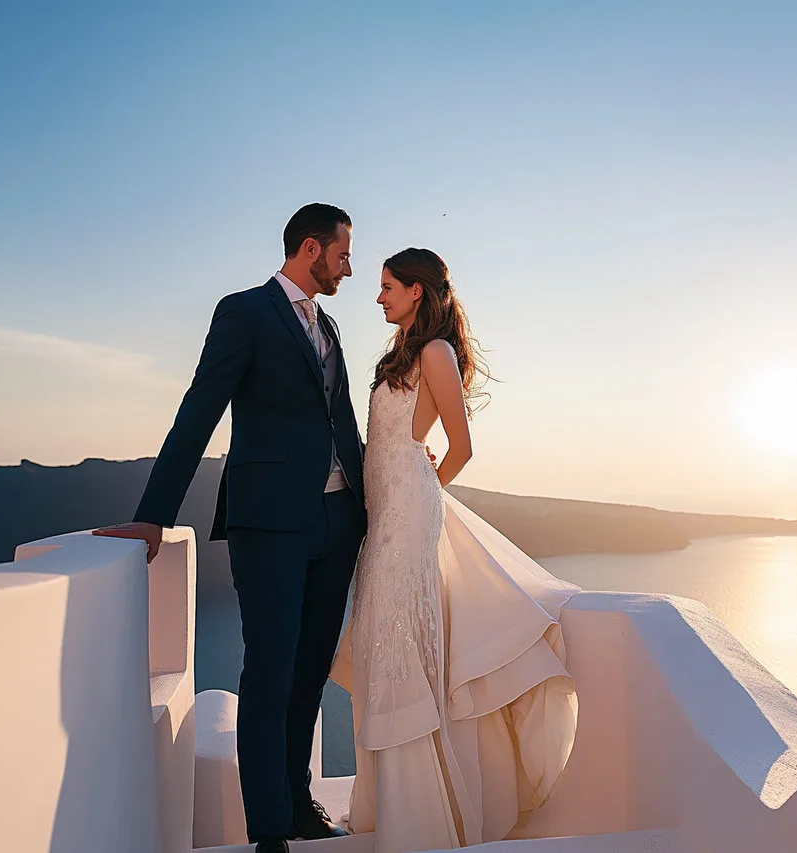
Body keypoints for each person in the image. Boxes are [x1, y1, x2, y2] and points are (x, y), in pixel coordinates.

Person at [95, 203, 365, 853]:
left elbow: (345, 430)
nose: (349, 268)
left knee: (309, 672)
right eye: (343, 254)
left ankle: (299, 801)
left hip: (335, 522)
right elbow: (200, 409)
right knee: (269, 674)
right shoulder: (243, 311)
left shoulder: (329, 327)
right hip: (268, 523)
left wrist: (375, 510)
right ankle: (269, 830)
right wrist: (154, 512)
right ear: (310, 248)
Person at [329, 248, 578, 853]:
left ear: (417, 292)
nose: (379, 295)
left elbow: (461, 446)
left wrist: (421, 487)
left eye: (388, 286)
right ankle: (385, 804)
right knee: (378, 646)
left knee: (400, 649)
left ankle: (419, 820)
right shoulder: (402, 355)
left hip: (407, 518)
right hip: (382, 518)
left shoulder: (435, 354)